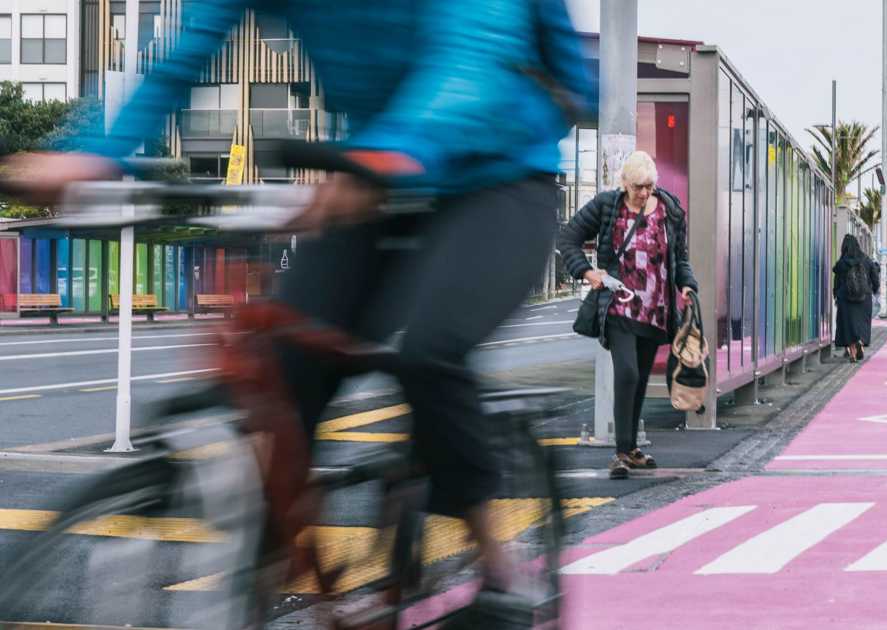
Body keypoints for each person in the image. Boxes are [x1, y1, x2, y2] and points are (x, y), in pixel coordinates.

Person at [7, 2, 595, 625]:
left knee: (428, 350)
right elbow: (183, 53)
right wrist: (96, 153)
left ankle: (496, 567)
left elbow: (470, 51)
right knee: (282, 370)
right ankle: (270, 583)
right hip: (370, 177)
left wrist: (393, 151)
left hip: (494, 175)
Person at [558, 152, 697, 480]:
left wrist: (687, 285)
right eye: (638, 187)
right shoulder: (608, 206)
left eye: (649, 186)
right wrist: (587, 273)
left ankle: (631, 448)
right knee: (628, 374)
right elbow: (569, 238)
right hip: (618, 305)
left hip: (656, 310)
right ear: (624, 184)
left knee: (640, 380)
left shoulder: (670, 210)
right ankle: (620, 452)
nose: (644, 193)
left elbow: (681, 258)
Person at [832, 235, 878, 362]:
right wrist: (873, 290)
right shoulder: (866, 260)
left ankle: (852, 353)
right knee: (862, 324)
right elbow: (875, 278)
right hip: (864, 297)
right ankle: (860, 343)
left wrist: (836, 295)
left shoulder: (842, 263)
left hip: (846, 298)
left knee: (848, 326)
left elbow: (837, 282)